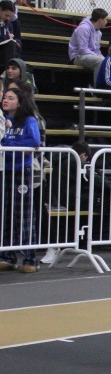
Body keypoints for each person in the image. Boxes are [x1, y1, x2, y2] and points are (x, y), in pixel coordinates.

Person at [0, 87, 42, 273]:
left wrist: (9, 144)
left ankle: (30, 257)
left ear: (19, 102)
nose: (6, 100)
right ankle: (7, 256)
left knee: (23, 215)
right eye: (5, 97)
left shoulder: (29, 120)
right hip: (5, 170)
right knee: (6, 214)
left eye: (11, 98)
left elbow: (34, 142)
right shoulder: (4, 119)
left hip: (21, 172)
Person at [68, 8, 108, 82]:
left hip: (90, 56)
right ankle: (98, 87)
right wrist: (98, 57)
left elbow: (97, 50)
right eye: (105, 19)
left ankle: (105, 86)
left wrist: (104, 59)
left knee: (107, 62)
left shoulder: (99, 32)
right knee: (100, 61)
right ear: (100, 20)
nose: (106, 22)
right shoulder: (84, 28)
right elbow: (82, 49)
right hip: (78, 56)